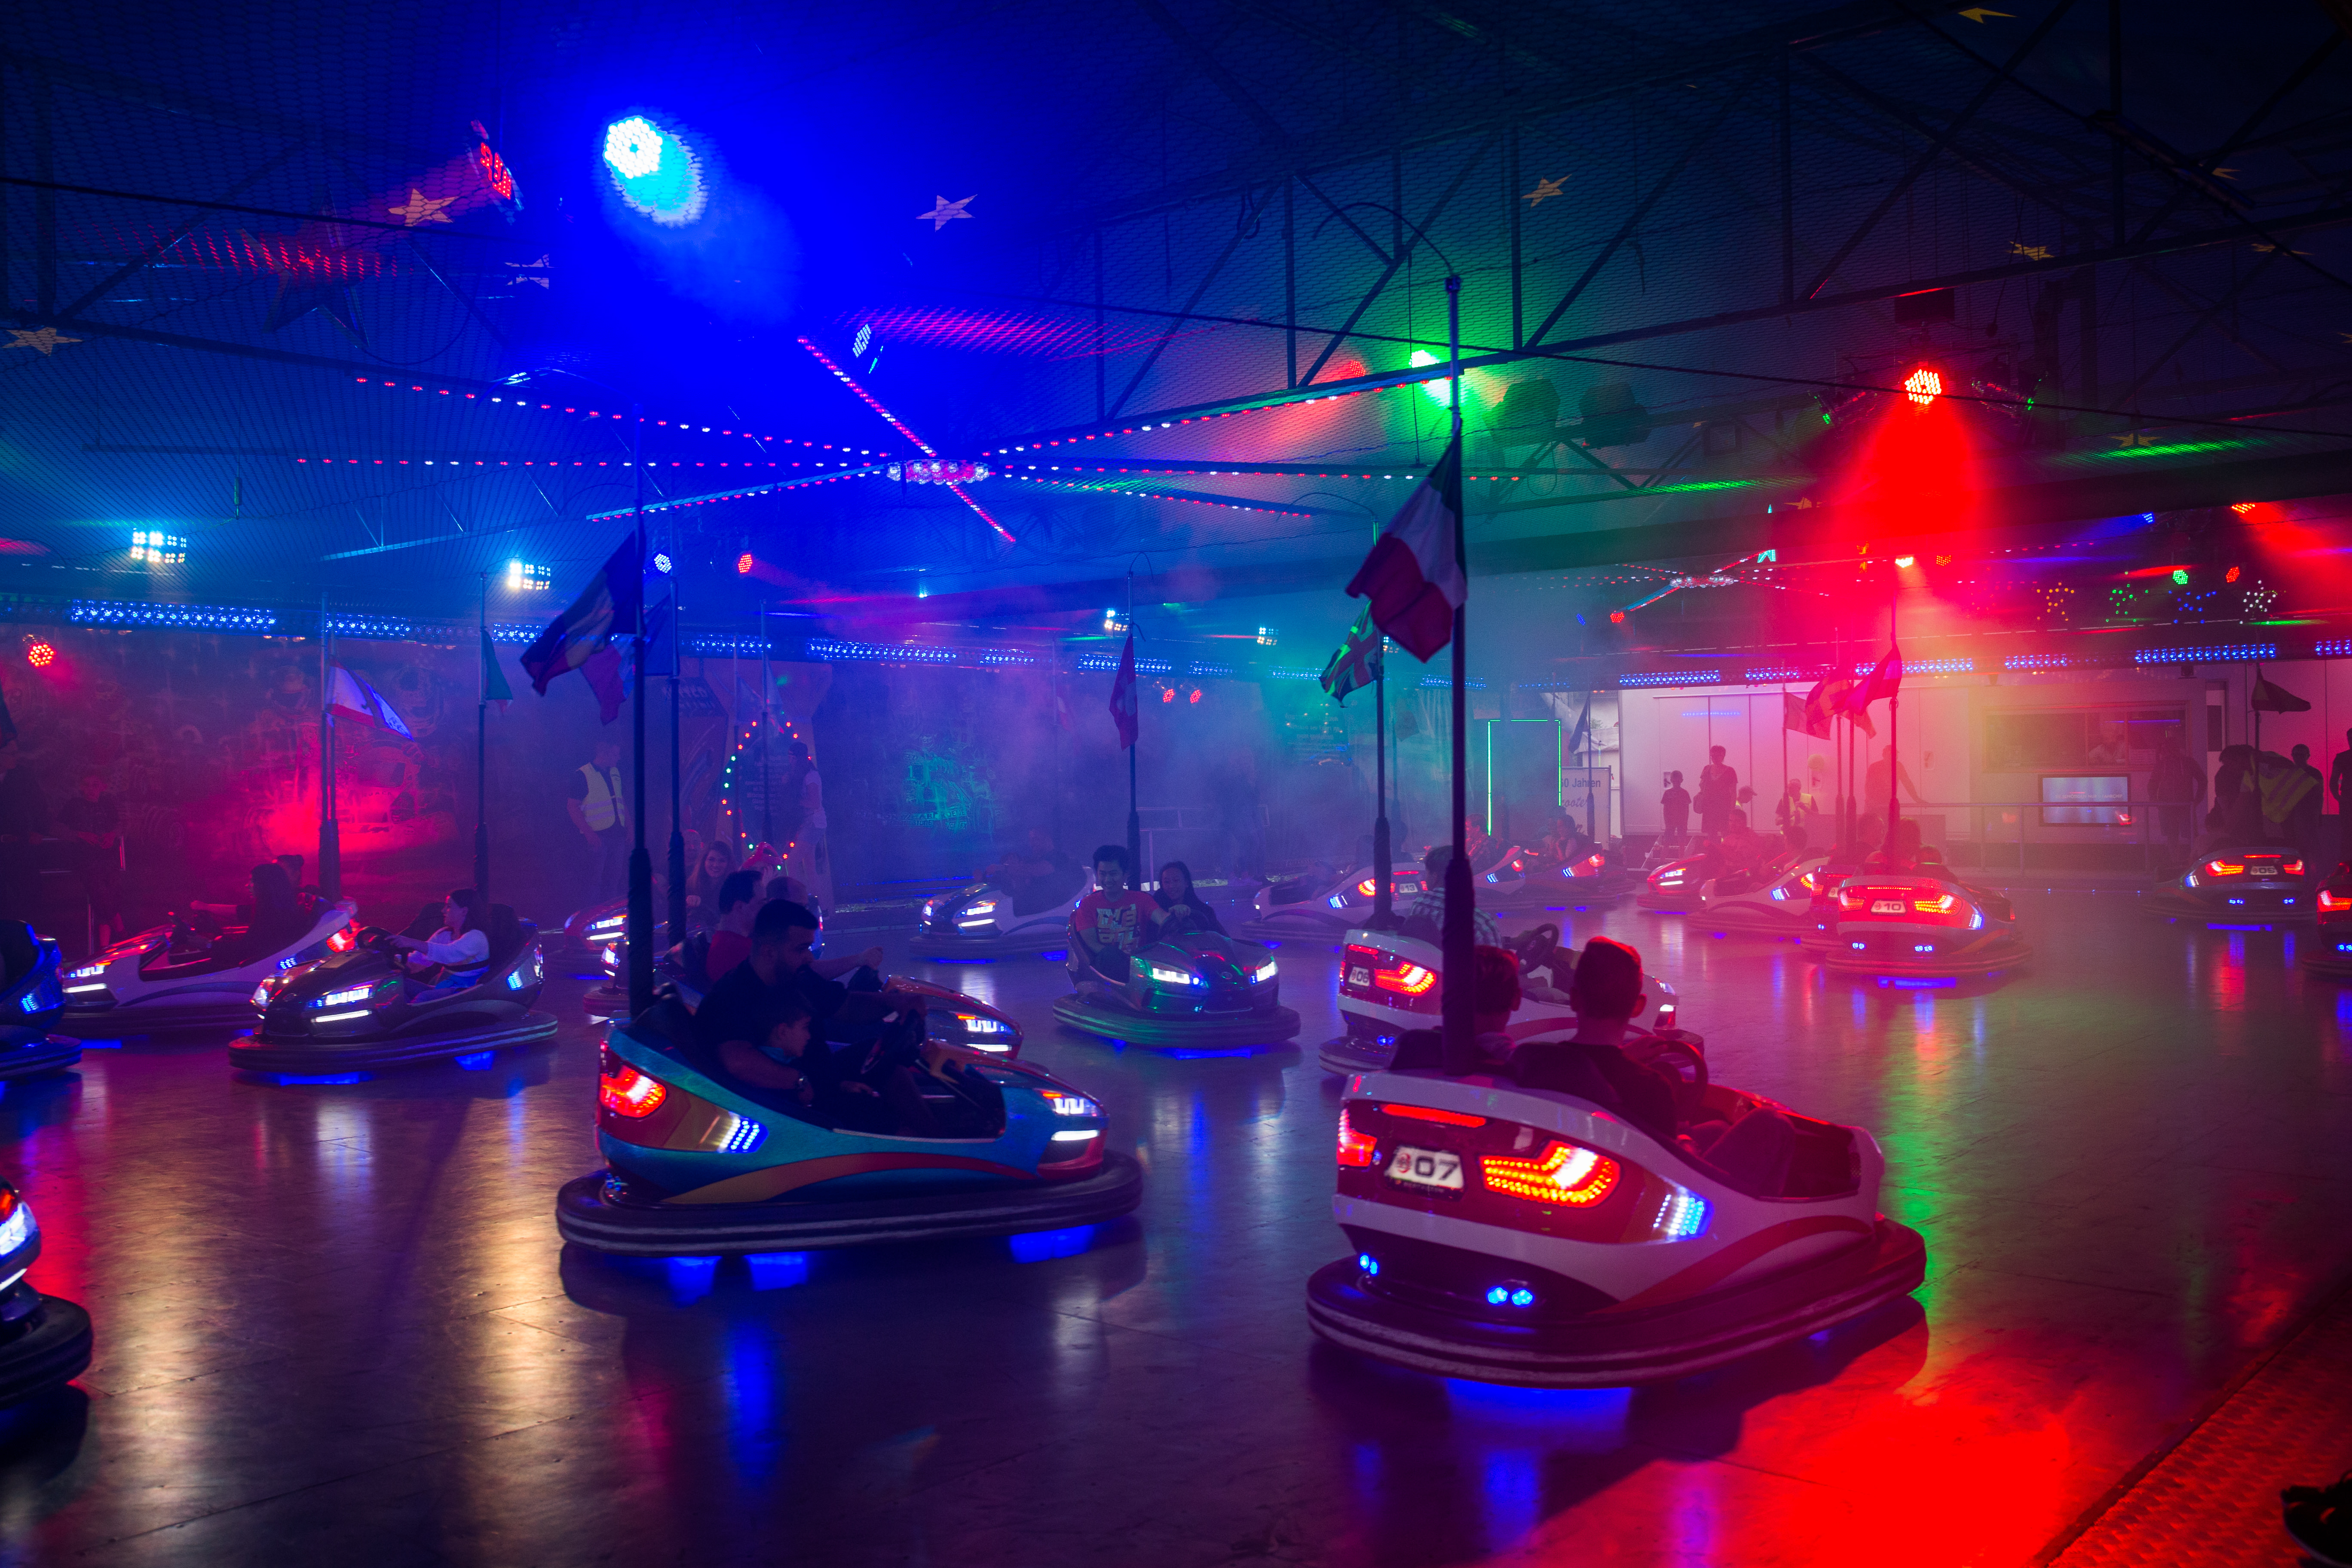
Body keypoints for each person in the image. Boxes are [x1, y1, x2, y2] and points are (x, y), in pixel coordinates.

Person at [1507, 938, 1795, 1194]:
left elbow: (1589, 1068)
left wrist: (1623, 1057)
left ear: (1573, 999)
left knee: (1717, 1128)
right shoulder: (1651, 1088)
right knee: (1772, 1123)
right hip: (1644, 1191)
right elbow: (1674, 1172)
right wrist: (1685, 1140)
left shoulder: (1534, 1060)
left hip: (1571, 1162)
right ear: (1639, 1006)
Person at [696, 899, 919, 1057]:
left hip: (821, 1079)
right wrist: (800, 1083)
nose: (809, 958)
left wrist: (897, 1002)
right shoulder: (729, 998)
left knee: (888, 1059)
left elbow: (849, 1006)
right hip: (788, 1102)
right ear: (769, 952)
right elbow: (737, 1060)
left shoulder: (798, 979)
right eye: (801, 949)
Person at [1072, 845, 1160, 983]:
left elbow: (1162, 918)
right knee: (1109, 956)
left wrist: (1178, 913)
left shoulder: (1142, 900)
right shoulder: (1088, 905)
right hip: (1105, 973)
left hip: (1141, 971)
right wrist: (1122, 961)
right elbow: (1092, 943)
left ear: (1125, 874)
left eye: (1113, 874)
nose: (1108, 880)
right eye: (1103, 874)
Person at [56, 772, 123, 947]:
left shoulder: (108, 804)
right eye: (87, 785)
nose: (91, 789)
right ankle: (121, 932)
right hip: (85, 859)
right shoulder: (74, 805)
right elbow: (56, 828)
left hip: (109, 857)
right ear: (81, 787)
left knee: (109, 897)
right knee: (102, 896)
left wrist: (112, 835)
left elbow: (121, 825)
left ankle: (105, 947)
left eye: (95, 785)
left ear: (103, 787)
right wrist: (79, 835)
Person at [390, 888, 491, 993]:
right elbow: (420, 960)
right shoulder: (444, 934)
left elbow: (449, 954)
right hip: (445, 986)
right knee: (399, 986)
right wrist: (393, 960)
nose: (443, 911)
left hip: (467, 992)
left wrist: (410, 942)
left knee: (424, 997)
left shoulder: (477, 937)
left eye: (449, 906)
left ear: (464, 911)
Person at [1401, 844, 1501, 946]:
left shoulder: (1419, 905)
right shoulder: (1481, 924)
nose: (1424, 879)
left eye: (1426, 874)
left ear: (1435, 877)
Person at [569, 738, 629, 900]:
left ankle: (609, 912)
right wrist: (589, 834)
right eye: (615, 754)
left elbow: (620, 800)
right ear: (604, 754)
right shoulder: (582, 775)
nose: (619, 758)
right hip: (598, 837)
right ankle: (592, 912)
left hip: (618, 835)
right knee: (593, 882)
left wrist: (629, 827)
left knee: (614, 880)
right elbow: (572, 807)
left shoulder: (615, 772)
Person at [2149, 733, 2205, 857]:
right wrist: (2155, 800)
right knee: (2172, 835)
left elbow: (2203, 780)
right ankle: (2176, 860)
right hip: (2167, 806)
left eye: (2168, 749)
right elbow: (2152, 784)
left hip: (2185, 805)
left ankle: (2192, 859)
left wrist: (2197, 800)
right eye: (2165, 749)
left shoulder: (2188, 763)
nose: (2166, 752)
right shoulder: (2162, 764)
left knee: (2190, 834)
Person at [703, 869, 763, 982]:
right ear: (740, 907)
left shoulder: (727, 944)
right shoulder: (736, 953)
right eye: (761, 903)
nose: (765, 908)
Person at [1152, 860, 1224, 935]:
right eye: (1167, 882)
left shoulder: (1205, 912)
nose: (1171, 886)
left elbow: (1219, 939)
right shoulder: (1154, 910)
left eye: (1176, 880)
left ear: (1186, 883)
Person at [683, 842, 737, 933]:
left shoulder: (735, 888)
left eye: (722, 861)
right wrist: (688, 902)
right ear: (704, 861)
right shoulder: (691, 884)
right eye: (711, 860)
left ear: (729, 863)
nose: (716, 865)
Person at [1862, 746, 1919, 813]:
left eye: (1895, 754)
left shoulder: (1899, 767)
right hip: (1874, 805)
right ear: (1884, 755)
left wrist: (1916, 799)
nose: (1894, 757)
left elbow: (1907, 783)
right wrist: (1871, 801)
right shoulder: (1874, 767)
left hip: (1889, 803)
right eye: (1891, 754)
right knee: (1874, 819)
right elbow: (1868, 786)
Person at [1696, 747, 1736, 838]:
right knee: (1711, 833)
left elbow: (1733, 792)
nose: (1715, 758)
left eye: (1718, 756)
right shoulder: (1707, 769)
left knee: (1725, 831)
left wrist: (1732, 810)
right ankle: (1713, 847)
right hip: (1709, 806)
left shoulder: (1730, 771)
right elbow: (1702, 786)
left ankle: (1726, 847)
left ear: (1723, 756)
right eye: (1713, 756)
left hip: (1724, 806)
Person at [1660, 772, 1691, 843]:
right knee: (1668, 841)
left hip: (1679, 821)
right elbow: (1665, 810)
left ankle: (1670, 850)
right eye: (1675, 781)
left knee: (1679, 841)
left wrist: (1685, 822)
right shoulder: (1684, 793)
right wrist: (1667, 822)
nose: (1676, 783)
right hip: (1673, 821)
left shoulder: (1683, 793)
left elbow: (1687, 810)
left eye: (1678, 781)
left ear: (1681, 781)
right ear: (1671, 781)